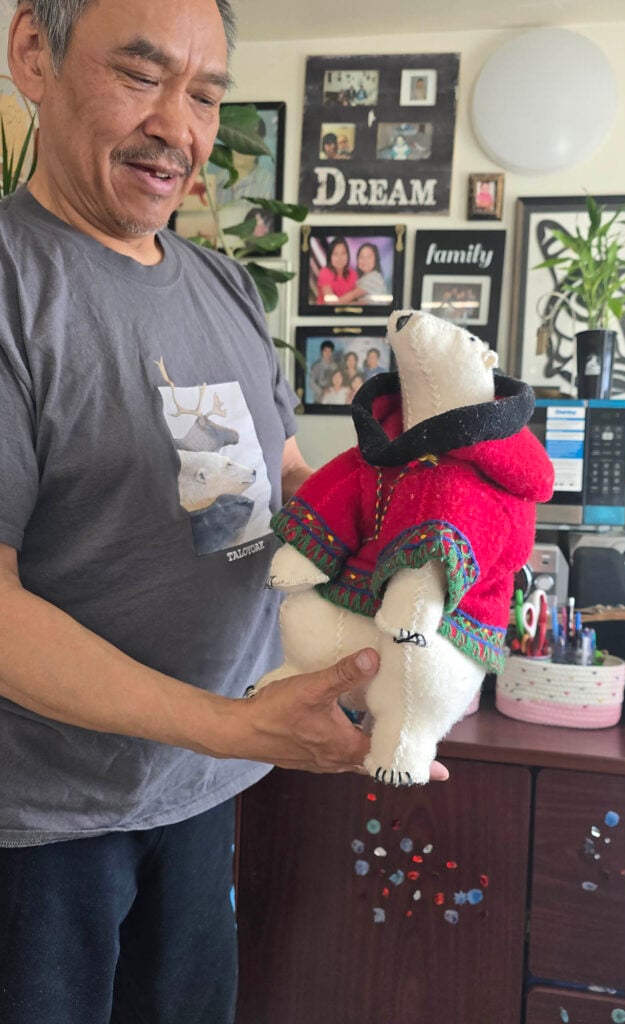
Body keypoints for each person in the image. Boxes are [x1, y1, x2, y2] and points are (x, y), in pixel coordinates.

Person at [0, 3, 448, 1022]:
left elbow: (262, 489)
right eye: (141, 75)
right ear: (35, 53)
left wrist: (422, 525)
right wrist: (234, 724)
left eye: (203, 93)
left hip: (201, 796)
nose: (178, 127)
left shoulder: (222, 285)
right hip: (39, 830)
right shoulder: (14, 286)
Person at [316, 236, 358, 304]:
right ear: (330, 257)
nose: (340, 258)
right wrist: (355, 294)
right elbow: (331, 303)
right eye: (335, 254)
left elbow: (361, 300)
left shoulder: (353, 274)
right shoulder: (324, 272)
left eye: (343, 253)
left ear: (348, 255)